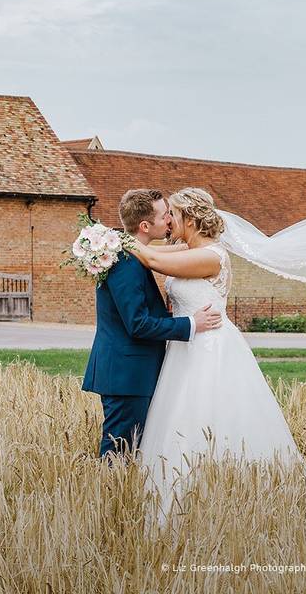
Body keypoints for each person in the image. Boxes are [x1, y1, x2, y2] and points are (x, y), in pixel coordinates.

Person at [126, 187, 306, 523]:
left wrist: (109, 242)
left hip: (210, 347)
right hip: (184, 347)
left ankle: (227, 498)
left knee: (210, 414)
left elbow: (153, 260)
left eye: (173, 214)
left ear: (191, 218)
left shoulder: (212, 256)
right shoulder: (186, 249)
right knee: (178, 417)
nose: (168, 220)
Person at [82, 189, 223, 461]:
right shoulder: (124, 262)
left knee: (132, 450)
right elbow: (138, 324)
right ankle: (111, 501)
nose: (169, 220)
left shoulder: (132, 254)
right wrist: (191, 324)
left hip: (133, 372)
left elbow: (164, 254)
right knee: (119, 453)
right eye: (165, 215)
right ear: (145, 226)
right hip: (126, 375)